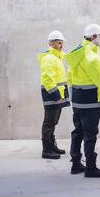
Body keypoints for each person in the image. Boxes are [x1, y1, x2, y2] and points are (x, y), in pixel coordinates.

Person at [64, 24, 100, 177]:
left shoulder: (78, 51)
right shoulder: (91, 55)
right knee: (90, 133)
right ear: (94, 37)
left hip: (76, 99)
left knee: (78, 131)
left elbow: (70, 76)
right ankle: (90, 167)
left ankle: (76, 164)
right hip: (89, 101)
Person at [37, 30, 71, 159]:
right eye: (58, 43)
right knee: (49, 123)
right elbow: (47, 79)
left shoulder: (58, 57)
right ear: (51, 43)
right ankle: (46, 150)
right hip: (52, 96)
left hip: (57, 96)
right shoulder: (49, 58)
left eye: (62, 43)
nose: (61, 45)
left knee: (53, 122)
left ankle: (52, 146)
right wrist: (55, 95)